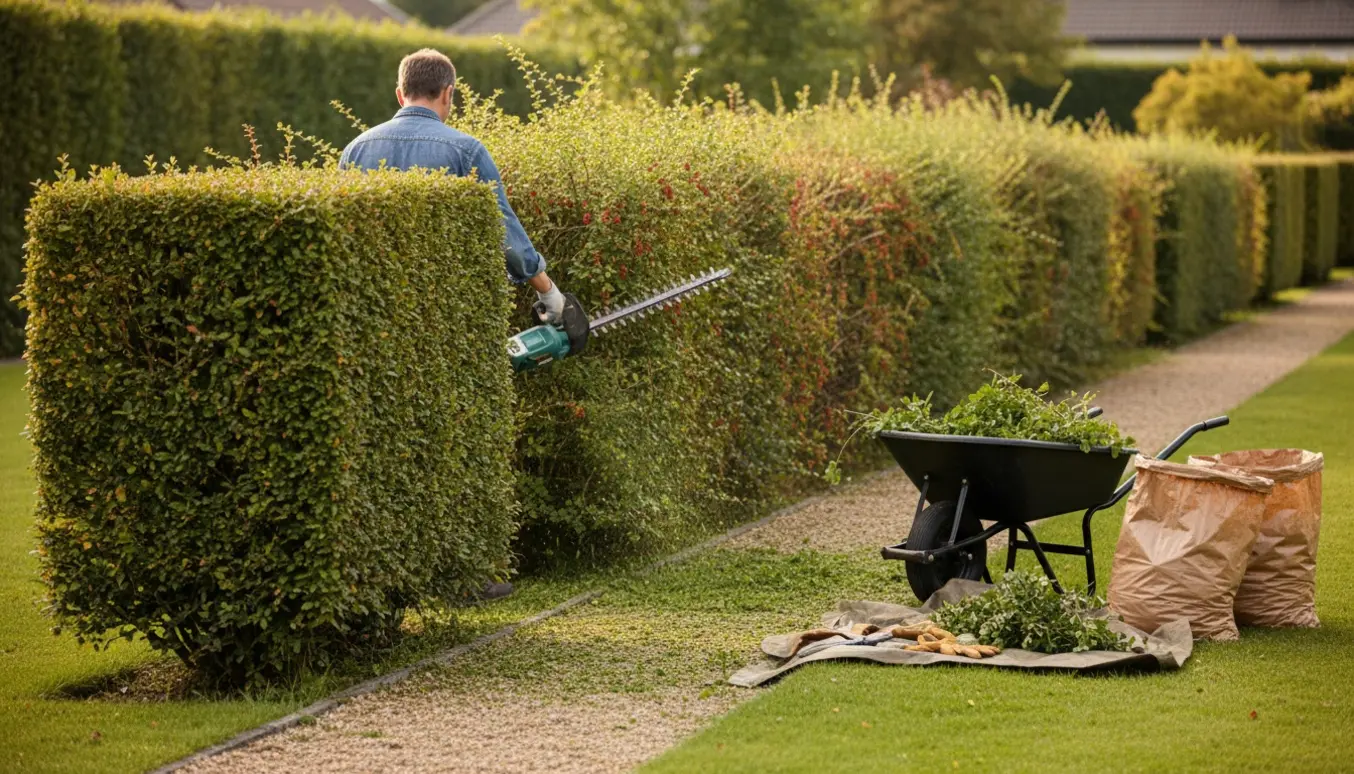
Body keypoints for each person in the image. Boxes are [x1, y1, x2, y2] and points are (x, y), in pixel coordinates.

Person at [340, 48, 567, 326]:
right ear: (448, 94)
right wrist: (547, 290)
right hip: (444, 310)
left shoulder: (355, 150)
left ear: (400, 94)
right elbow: (503, 228)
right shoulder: (466, 151)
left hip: (373, 305)